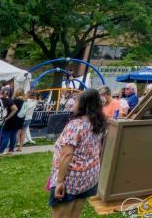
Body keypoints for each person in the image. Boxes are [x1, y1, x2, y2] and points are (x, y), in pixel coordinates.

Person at [48, 88, 107, 216]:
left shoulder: (76, 125)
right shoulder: (99, 123)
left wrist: (59, 182)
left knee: (61, 215)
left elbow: (67, 154)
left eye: (76, 101)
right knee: (75, 213)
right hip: (89, 175)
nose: (74, 104)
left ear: (83, 104)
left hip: (71, 178)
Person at [0, 88, 26, 154]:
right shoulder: (24, 101)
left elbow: (10, 109)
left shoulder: (13, 100)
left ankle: (1, 150)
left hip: (11, 119)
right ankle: (11, 150)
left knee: (6, 135)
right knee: (13, 135)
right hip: (19, 119)